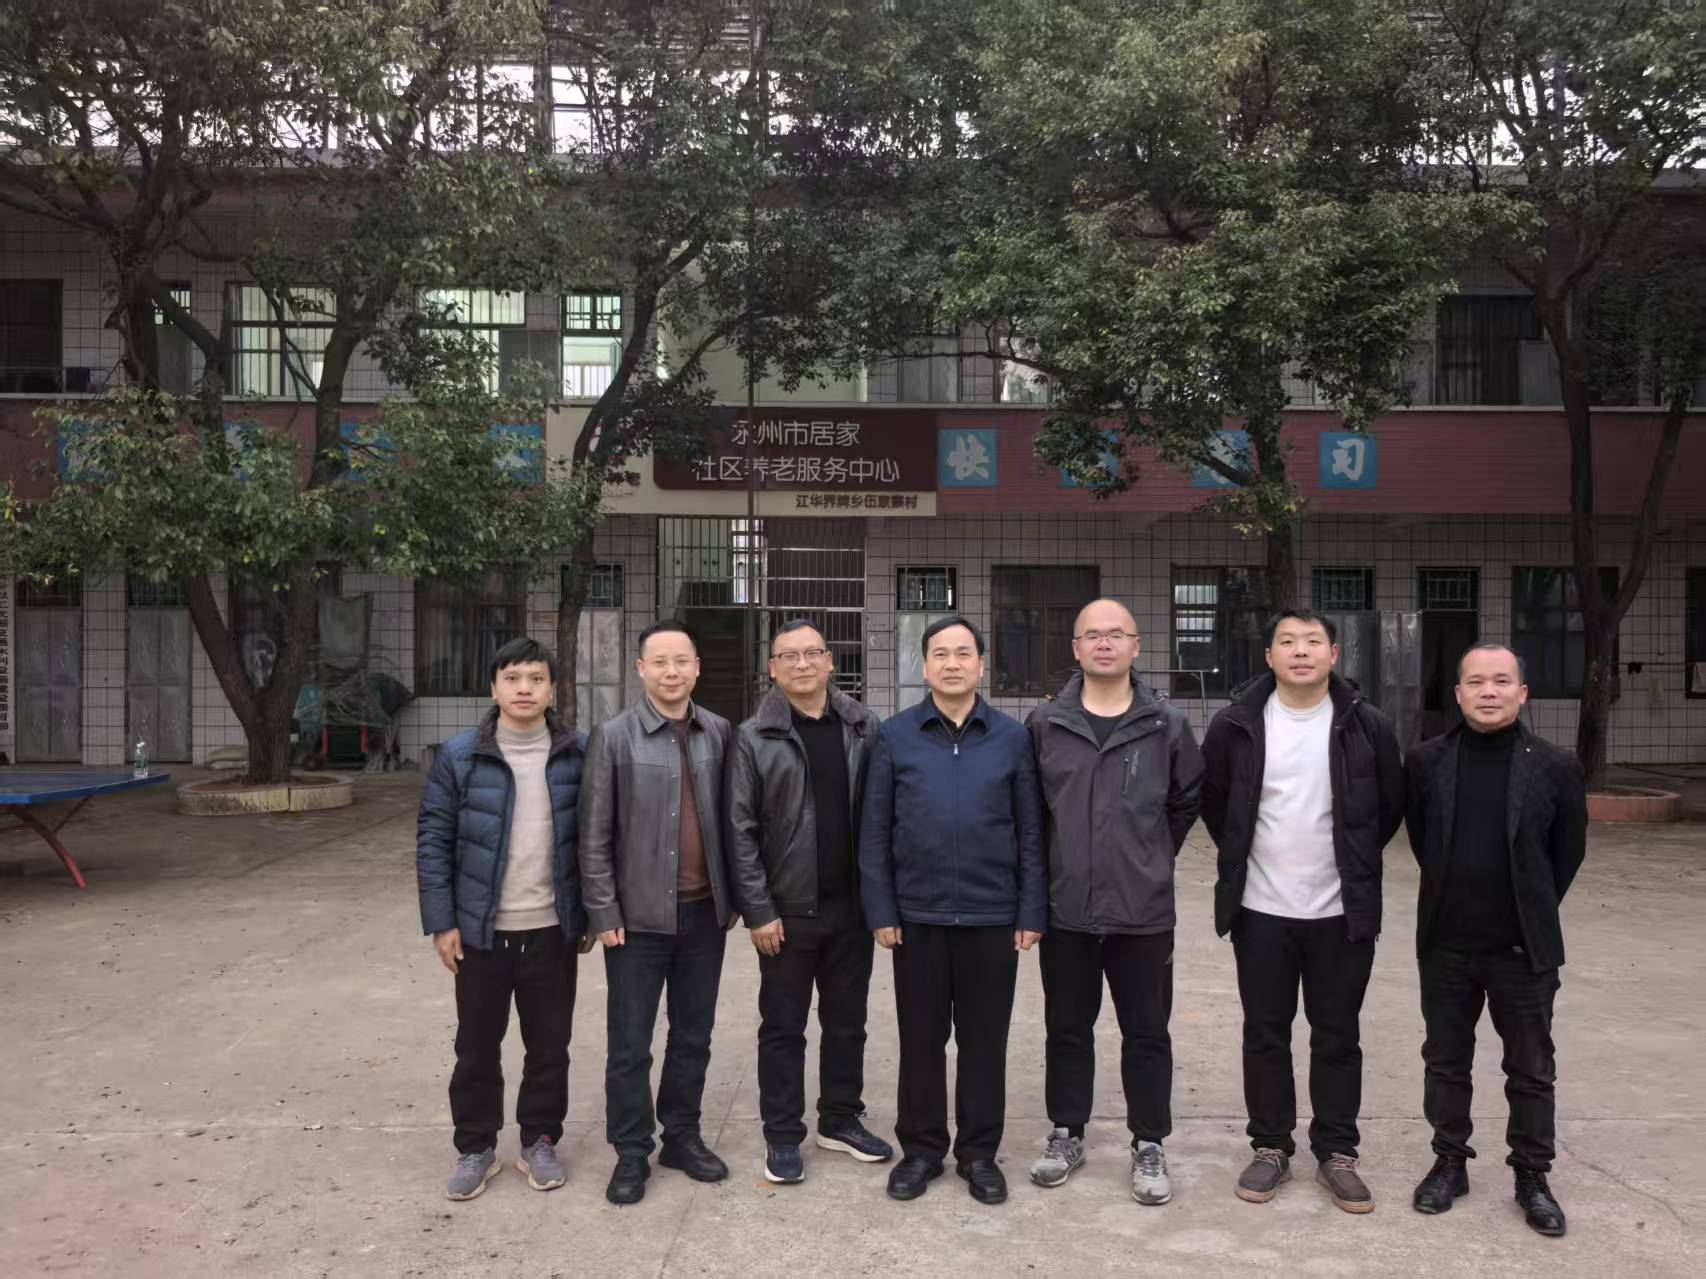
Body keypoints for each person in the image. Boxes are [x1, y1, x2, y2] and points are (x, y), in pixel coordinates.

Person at [1201, 608, 1403, 1213]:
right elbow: (1217, 804)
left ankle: (1337, 1152)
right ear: (1269, 657)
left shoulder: (1368, 725)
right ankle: (1270, 1147)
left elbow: (1388, 807)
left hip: (1341, 913)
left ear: (1334, 654)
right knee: (1265, 1032)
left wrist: (1353, 867)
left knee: (1338, 1034)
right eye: (1286, 642)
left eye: (1313, 641)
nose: (1300, 651)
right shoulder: (1236, 724)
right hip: (1261, 910)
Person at [859, 615, 1046, 1205]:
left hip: (993, 916)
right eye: (940, 653)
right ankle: (921, 1151)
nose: (952, 663)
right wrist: (881, 909)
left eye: (964, 653)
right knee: (921, 1041)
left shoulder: (1011, 737)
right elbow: (875, 830)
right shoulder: (895, 736)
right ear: (924, 666)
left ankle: (979, 1154)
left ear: (981, 665)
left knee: (984, 1043)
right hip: (918, 917)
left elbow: (1030, 831)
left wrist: (1031, 910)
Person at [1404, 643, 1587, 1237]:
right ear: (1458, 693)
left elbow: (1566, 854)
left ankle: (1532, 1174)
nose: (1489, 691)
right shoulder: (1427, 761)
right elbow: (1424, 841)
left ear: (1522, 693)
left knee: (1531, 1068)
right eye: (1476, 681)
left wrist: (1528, 906)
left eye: (1502, 681)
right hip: (1447, 944)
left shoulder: (1556, 766)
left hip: (1522, 948)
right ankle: (1449, 1162)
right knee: (1445, 1062)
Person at [1025, 599, 1203, 1204]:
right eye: (1093, 635)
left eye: (1116, 634)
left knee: (1147, 1032)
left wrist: (1149, 855)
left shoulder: (1165, 725)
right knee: (1066, 1029)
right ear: (1075, 648)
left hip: (1142, 913)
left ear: (1135, 646)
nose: (1105, 644)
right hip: (1067, 909)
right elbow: (1033, 813)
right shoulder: (1046, 724)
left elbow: (1186, 800)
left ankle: (1148, 1141)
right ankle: (1066, 1133)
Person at [416, 637, 590, 1201]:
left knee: (549, 1046)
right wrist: (442, 922)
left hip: (551, 930)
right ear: (493, 688)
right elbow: (433, 839)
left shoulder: (578, 753)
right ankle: (476, 1146)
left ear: (552, 689)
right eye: (512, 678)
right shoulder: (460, 755)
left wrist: (590, 913)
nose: (524, 689)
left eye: (536, 679)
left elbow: (597, 837)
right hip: (481, 933)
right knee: (476, 1046)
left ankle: (540, 1140)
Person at [726, 619, 894, 1185]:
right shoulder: (754, 736)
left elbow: (881, 816)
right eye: (788, 656)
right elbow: (740, 830)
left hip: (852, 907)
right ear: (772, 669)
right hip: (787, 912)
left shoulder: (863, 727)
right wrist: (759, 909)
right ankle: (782, 1134)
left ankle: (840, 1118)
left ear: (830, 661)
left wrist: (880, 903)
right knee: (783, 1027)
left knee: (848, 1022)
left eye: (812, 653)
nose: (802, 664)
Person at [579, 620, 735, 1205]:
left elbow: (733, 821)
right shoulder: (614, 736)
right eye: (660, 662)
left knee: (693, 1035)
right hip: (636, 920)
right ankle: (631, 1149)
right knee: (630, 1043)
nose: (672, 672)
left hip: (703, 915)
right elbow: (593, 834)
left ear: (697, 668)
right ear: (641, 669)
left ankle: (682, 1136)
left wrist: (734, 899)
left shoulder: (718, 731)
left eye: (681, 661)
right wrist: (602, 911)